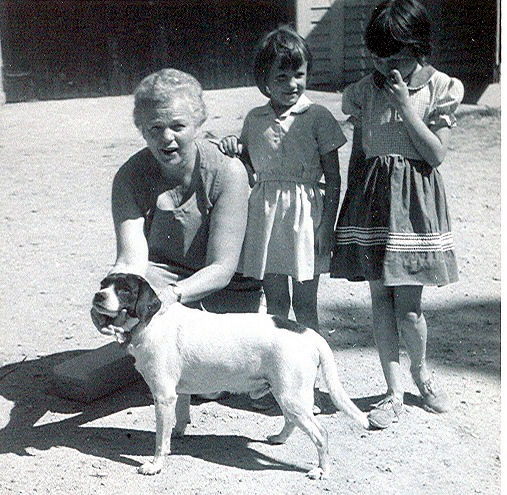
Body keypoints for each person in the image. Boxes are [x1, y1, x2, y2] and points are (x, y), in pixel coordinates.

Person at [330, 0, 464, 429]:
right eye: (377, 55)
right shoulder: (363, 90)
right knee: (379, 301)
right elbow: (360, 148)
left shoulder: (441, 87)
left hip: (414, 206)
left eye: (396, 57)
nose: (385, 65)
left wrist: (407, 108)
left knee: (408, 309)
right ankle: (392, 392)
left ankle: (420, 375)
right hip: (373, 202)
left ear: (419, 49)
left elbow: (436, 154)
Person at [91, 69, 262, 389]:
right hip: (166, 276)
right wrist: (108, 299)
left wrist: (169, 297)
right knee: (158, 356)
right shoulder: (129, 177)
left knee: (208, 386)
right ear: (142, 130)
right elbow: (130, 260)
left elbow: (222, 268)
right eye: (155, 127)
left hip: (226, 286)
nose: (166, 137)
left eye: (178, 126)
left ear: (197, 124)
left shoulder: (228, 172)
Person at [219, 26, 346, 410]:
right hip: (268, 218)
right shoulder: (254, 118)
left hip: (307, 217)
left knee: (305, 307)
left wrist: (328, 226)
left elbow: (334, 178)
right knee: (274, 307)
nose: (292, 84)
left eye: (299, 74)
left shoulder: (318, 115)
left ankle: (312, 386)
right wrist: (233, 148)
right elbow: (249, 168)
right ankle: (275, 384)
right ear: (264, 81)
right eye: (281, 76)